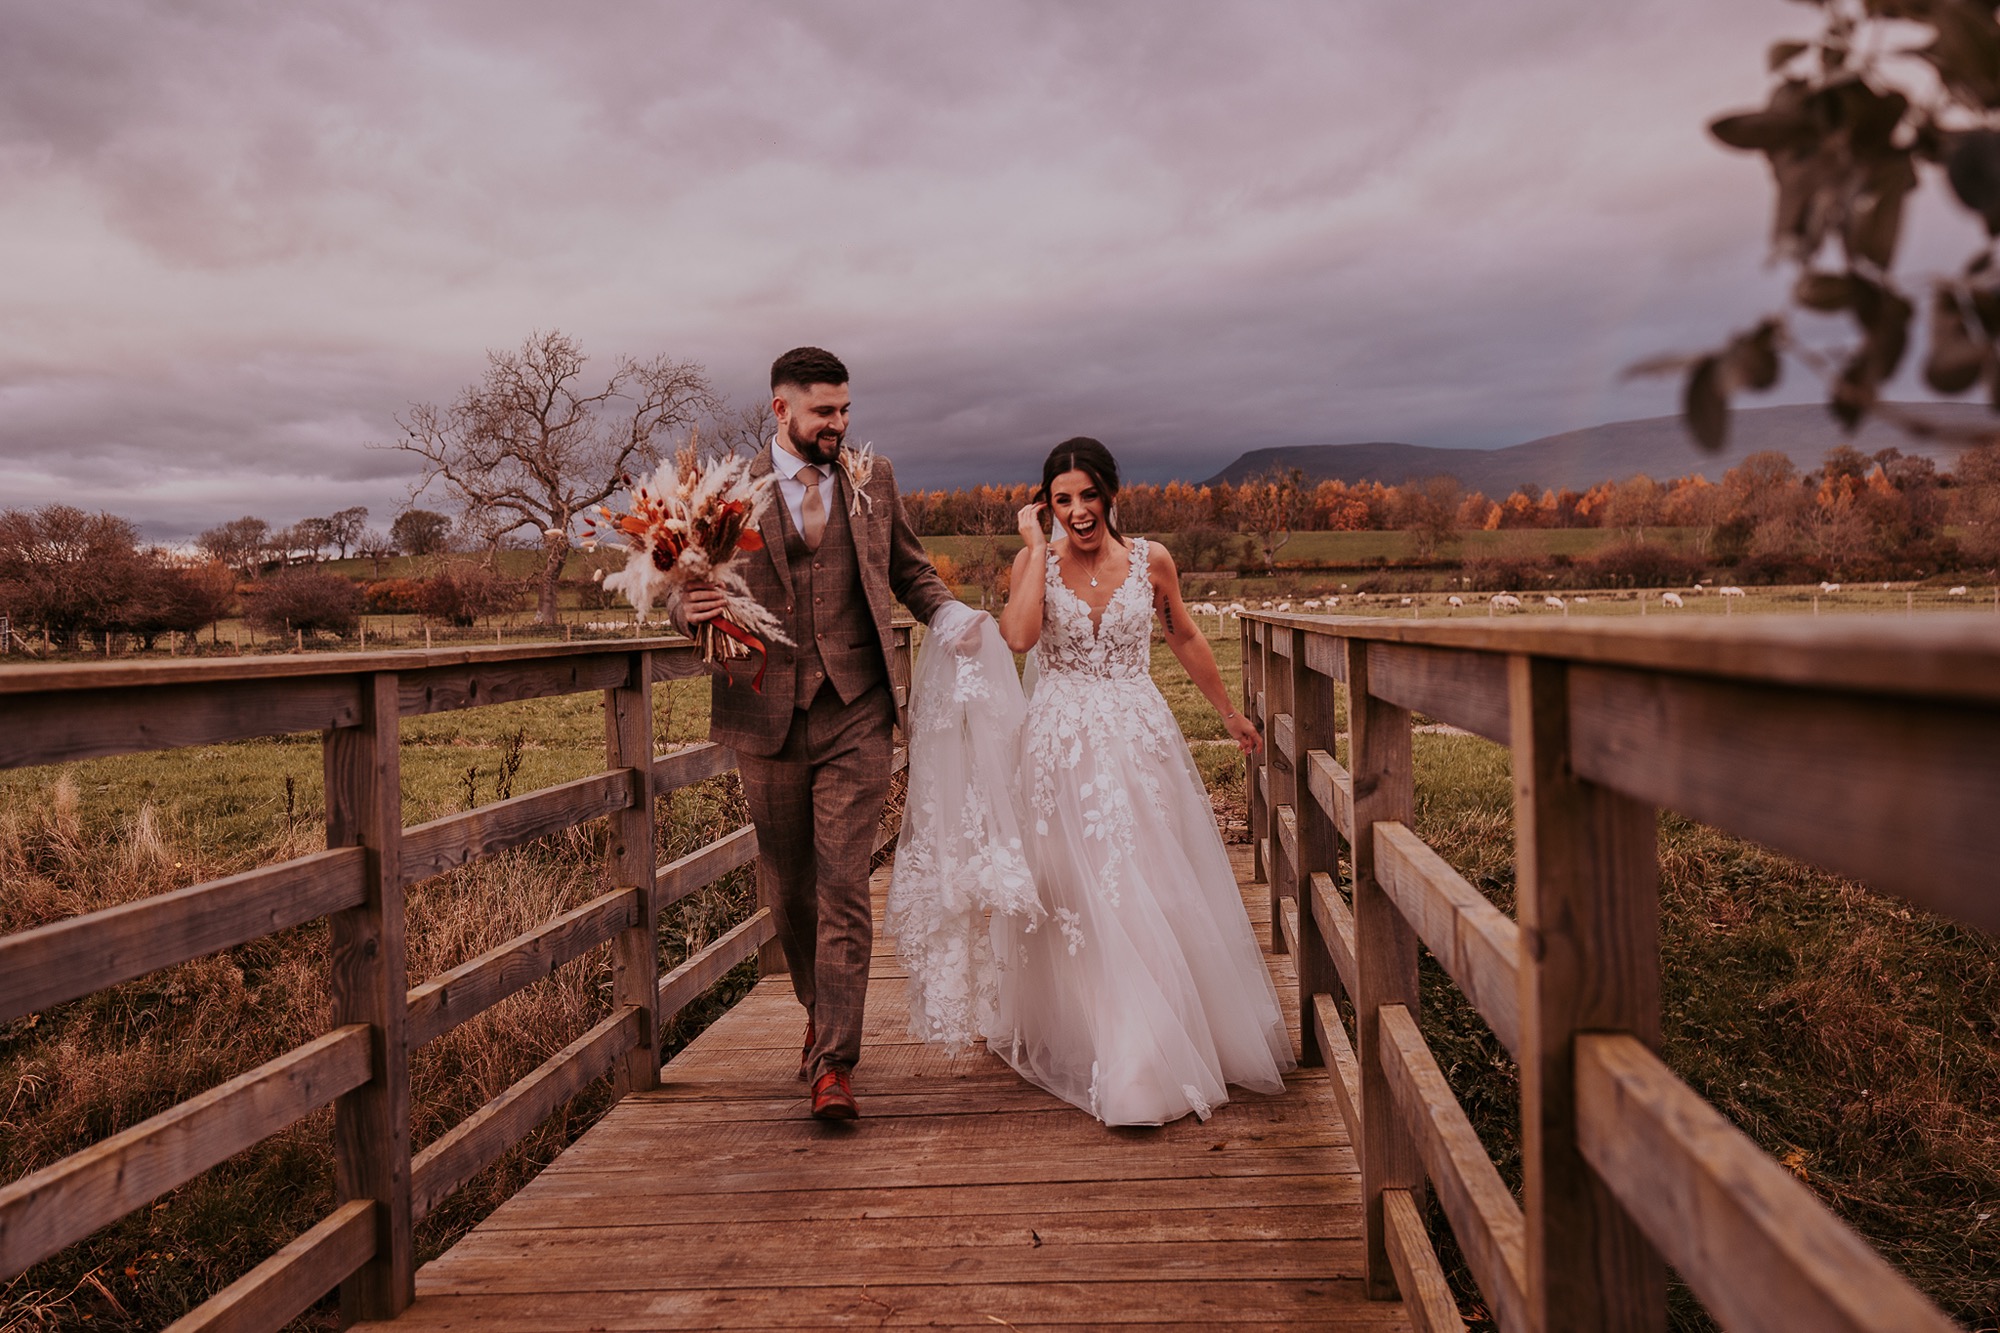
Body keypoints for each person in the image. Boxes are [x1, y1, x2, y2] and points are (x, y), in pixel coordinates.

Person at [887, 437, 1293, 1126]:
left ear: (1110, 493)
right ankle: (1118, 1049)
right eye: (1061, 499)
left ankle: (1159, 1039)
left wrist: (1228, 712)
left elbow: (1186, 634)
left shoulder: (1151, 560)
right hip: (1060, 744)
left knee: (1153, 882)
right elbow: (1017, 638)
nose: (1077, 511)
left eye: (1086, 496)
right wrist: (1036, 549)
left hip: (1141, 737)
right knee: (1078, 887)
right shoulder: (1034, 560)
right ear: (1047, 506)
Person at [672, 346, 979, 1121]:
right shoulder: (724, 493)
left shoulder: (875, 482)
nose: (839, 425)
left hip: (857, 708)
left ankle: (835, 1062)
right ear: (781, 411)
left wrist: (949, 615)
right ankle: (819, 1012)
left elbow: (909, 570)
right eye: (824, 413)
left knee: (844, 882)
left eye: (845, 410)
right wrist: (687, 611)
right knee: (790, 887)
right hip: (764, 712)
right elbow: (683, 582)